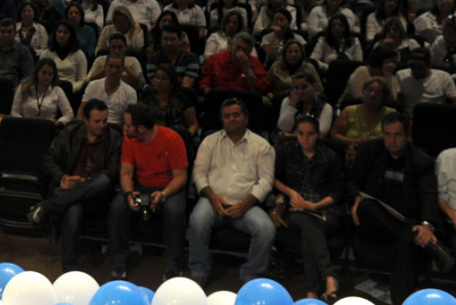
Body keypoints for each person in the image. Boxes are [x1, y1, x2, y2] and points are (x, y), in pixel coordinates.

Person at [348, 113, 453, 304]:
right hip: (374, 223)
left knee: (406, 247)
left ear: (407, 135)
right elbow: (351, 183)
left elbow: (428, 196)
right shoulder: (370, 151)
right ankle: (427, 243)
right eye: (387, 135)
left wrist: (427, 225)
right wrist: (356, 198)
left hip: (406, 223)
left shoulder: (421, 160)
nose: (392, 140)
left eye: (397, 135)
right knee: (365, 206)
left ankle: (401, 302)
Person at [189, 98, 275, 287]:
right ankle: (199, 270)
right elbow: (199, 174)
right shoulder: (209, 142)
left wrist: (244, 206)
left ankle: (251, 275)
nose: (231, 119)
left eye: (236, 115)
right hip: (213, 201)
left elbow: (266, 182)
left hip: (246, 204)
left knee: (266, 229)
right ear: (222, 119)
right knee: (197, 220)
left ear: (246, 118)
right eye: (227, 116)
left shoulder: (262, 146)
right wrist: (212, 198)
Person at [28, 98, 121, 272]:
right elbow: (48, 160)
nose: (103, 125)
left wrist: (84, 181)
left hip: (95, 195)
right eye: (97, 121)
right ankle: (69, 269)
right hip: (68, 188)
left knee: (102, 180)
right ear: (85, 120)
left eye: (105, 120)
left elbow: (114, 172)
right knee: (73, 208)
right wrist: (63, 177)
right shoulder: (70, 133)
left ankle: (47, 207)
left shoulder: (114, 139)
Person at [109, 102, 188, 281]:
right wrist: (129, 193)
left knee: (174, 211)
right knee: (118, 207)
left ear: (141, 129)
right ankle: (120, 259)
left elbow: (181, 178)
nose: (124, 127)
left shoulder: (172, 139)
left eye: (128, 125)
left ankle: (173, 265)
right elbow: (126, 171)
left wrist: (164, 194)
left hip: (168, 190)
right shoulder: (130, 139)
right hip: (141, 188)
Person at [273, 115, 344, 302]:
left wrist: (316, 205)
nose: (305, 139)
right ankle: (329, 276)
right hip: (297, 210)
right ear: (295, 133)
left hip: (325, 212)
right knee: (306, 222)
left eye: (310, 134)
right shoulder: (286, 151)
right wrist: (290, 192)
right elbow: (273, 179)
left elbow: (337, 193)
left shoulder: (330, 157)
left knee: (309, 229)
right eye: (301, 133)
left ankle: (311, 289)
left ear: (318, 134)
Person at [11, 57, 74, 125]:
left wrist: (57, 123)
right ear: (37, 72)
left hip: (48, 128)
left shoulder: (58, 91)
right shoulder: (23, 87)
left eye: (50, 74)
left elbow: (69, 114)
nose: (47, 76)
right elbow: (14, 112)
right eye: (44, 73)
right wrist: (22, 123)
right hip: (25, 126)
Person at [79, 53, 137, 124]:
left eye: (118, 67)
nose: (113, 70)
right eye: (111, 66)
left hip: (115, 128)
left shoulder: (130, 92)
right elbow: (81, 111)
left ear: (122, 70)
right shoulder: (93, 85)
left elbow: (130, 121)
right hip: (92, 126)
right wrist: (80, 127)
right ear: (105, 67)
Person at [0, 18, 34, 84]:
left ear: (15, 33)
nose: (5, 35)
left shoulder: (24, 51)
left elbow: (28, 77)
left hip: (15, 88)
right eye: (3, 32)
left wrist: (19, 89)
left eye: (9, 32)